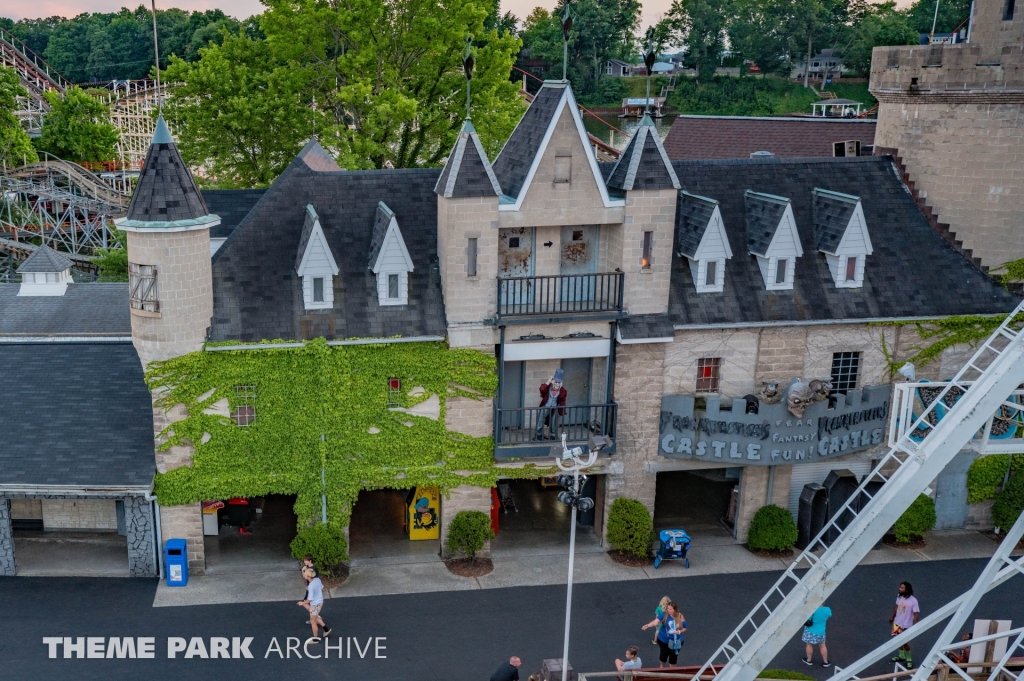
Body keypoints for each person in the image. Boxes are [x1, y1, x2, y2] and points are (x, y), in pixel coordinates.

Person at [642, 600, 686, 667]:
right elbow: (656, 621)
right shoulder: (664, 614)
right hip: (664, 641)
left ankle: (671, 674)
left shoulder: (680, 616)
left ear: (675, 609)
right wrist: (648, 625)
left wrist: (679, 632)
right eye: (667, 608)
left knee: (673, 660)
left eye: (670, 609)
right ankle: (661, 670)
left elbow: (685, 627)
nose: (668, 610)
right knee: (663, 657)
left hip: (676, 641)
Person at [889, 581, 920, 668]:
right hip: (897, 622)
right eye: (900, 587)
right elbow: (896, 606)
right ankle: (901, 656)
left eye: (902, 588)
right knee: (898, 640)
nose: (900, 589)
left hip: (906, 625)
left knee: (905, 643)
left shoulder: (913, 601)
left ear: (907, 589)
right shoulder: (899, 596)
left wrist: (916, 624)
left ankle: (909, 659)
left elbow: (916, 613)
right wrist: (892, 616)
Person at [298, 567, 331, 643]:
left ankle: (316, 639)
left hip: (315, 604)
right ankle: (326, 629)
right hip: (320, 602)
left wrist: (302, 603)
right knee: (315, 617)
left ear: (309, 576)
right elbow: (322, 588)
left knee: (313, 621)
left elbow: (310, 599)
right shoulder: (317, 580)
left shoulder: (311, 586)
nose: (304, 575)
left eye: (305, 574)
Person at [535, 369, 567, 440]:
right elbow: (542, 389)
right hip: (546, 406)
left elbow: (563, 397)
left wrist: (561, 410)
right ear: (553, 381)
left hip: (554, 408)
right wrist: (548, 381)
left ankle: (553, 435)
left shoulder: (562, 390)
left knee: (553, 422)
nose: (557, 384)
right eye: (556, 382)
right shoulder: (548, 387)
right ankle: (538, 435)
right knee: (540, 420)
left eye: (559, 382)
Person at [301, 555, 318, 625]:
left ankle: (316, 617)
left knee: (305, 602)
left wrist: (310, 586)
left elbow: (315, 579)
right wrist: (303, 570)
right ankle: (315, 618)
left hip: (311, 589)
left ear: (310, 561)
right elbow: (305, 577)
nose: (304, 561)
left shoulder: (312, 569)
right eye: (304, 560)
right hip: (310, 588)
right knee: (308, 603)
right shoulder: (309, 568)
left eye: (306, 560)